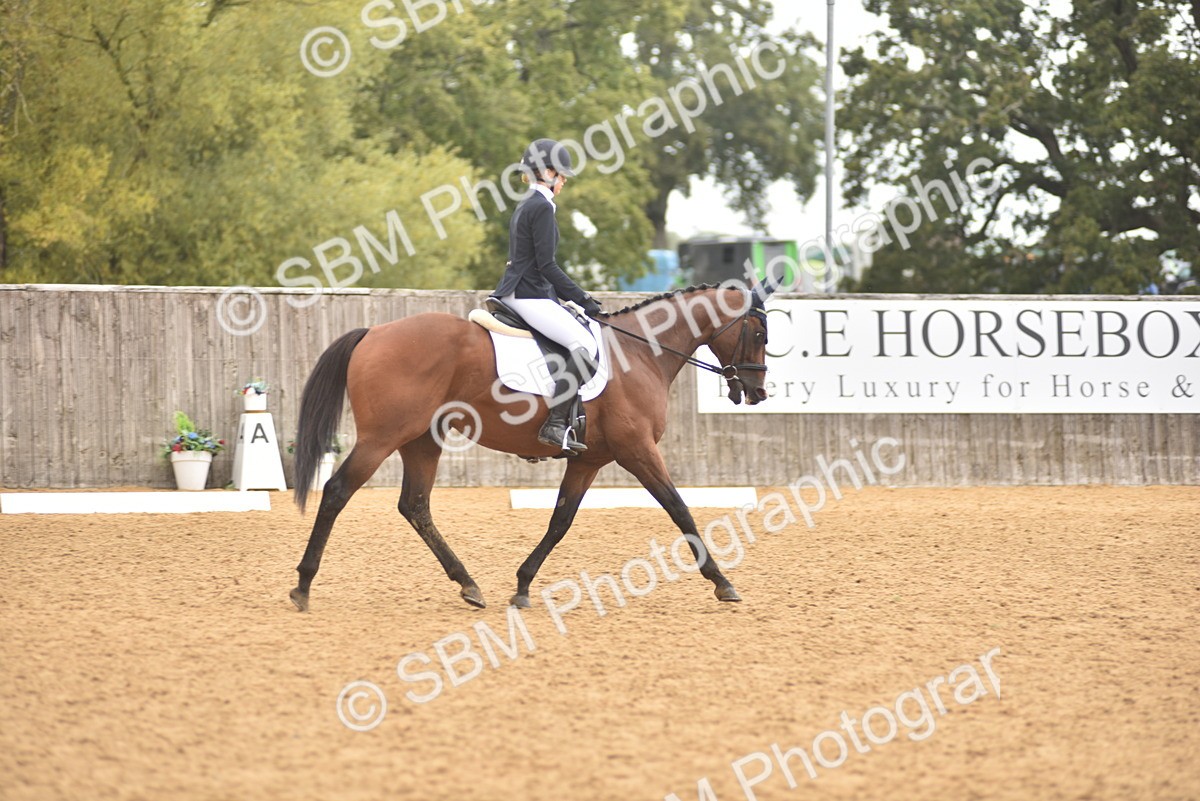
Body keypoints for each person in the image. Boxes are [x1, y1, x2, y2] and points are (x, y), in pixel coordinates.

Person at [494, 138, 601, 454]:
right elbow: (547, 265)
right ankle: (554, 424)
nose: (564, 180)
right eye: (561, 174)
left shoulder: (527, 202)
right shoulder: (541, 206)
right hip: (528, 294)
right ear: (547, 172)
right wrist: (582, 298)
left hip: (523, 290)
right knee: (585, 345)